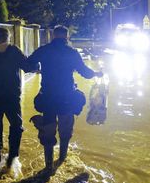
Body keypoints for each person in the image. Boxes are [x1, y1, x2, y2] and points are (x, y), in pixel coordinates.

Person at [27, 25, 103, 173]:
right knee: (65, 131)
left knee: (48, 131)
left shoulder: (44, 50)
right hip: (66, 98)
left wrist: (38, 68)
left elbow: (29, 63)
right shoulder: (72, 53)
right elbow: (85, 73)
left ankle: (48, 165)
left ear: (53, 36)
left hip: (48, 97)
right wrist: (96, 74)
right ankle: (62, 159)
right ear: (67, 37)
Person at [0, 27, 36, 174]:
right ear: (8, 37)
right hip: (11, 96)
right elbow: (28, 66)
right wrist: (37, 65)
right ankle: (12, 157)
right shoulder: (14, 50)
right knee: (16, 125)